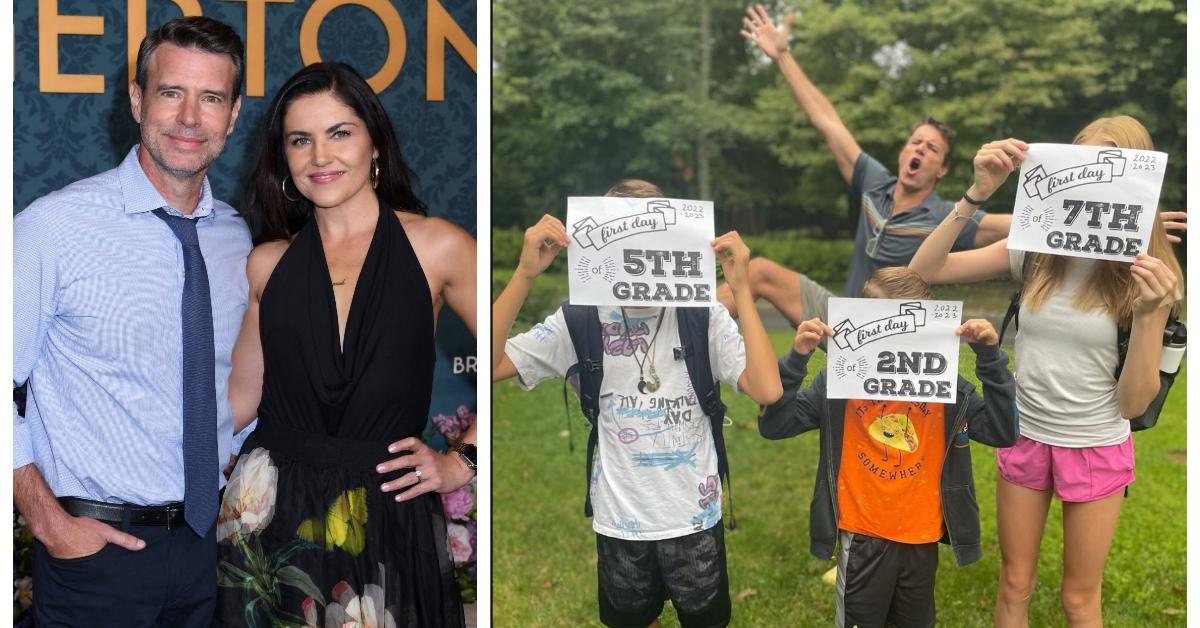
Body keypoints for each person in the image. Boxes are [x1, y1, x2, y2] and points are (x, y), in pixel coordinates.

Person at [216, 62, 476, 627]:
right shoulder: (267, 263)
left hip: (386, 507)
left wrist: (465, 460)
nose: (320, 156)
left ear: (374, 143)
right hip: (267, 512)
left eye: (339, 133)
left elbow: (519, 353)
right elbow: (238, 401)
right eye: (300, 140)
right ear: (283, 158)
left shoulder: (439, 246)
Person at [13, 16, 248, 626]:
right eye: (172, 93)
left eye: (211, 98)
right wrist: (48, 522)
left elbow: (234, 383)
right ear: (139, 100)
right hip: (96, 556)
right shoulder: (53, 228)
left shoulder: (237, 239)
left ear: (233, 115)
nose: (190, 118)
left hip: (212, 553)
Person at [906, 116, 1182, 626]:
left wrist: (1149, 315)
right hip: (1025, 434)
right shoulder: (1036, 248)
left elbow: (1132, 405)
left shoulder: (1145, 278)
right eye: (1079, 159)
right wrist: (976, 193)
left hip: (1095, 445)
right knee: (1014, 584)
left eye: (1103, 165)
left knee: (1079, 599)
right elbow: (923, 272)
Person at [492, 179, 783, 628]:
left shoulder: (701, 313)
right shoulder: (581, 317)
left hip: (693, 515)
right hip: (620, 518)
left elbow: (767, 390)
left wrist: (742, 290)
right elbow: (492, 363)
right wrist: (524, 275)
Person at [715, 4, 1013, 328]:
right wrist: (782, 56)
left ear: (942, 169)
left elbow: (1017, 225)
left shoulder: (947, 216)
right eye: (915, 142)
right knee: (758, 271)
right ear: (902, 152)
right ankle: (685, 325)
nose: (920, 149)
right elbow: (829, 123)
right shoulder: (874, 183)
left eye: (932, 149)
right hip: (841, 318)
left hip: (894, 329)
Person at [758, 267, 1019, 627]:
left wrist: (990, 359)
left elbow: (1002, 431)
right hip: (862, 535)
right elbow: (775, 424)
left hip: (922, 536)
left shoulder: (948, 389)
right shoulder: (839, 385)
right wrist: (797, 359)